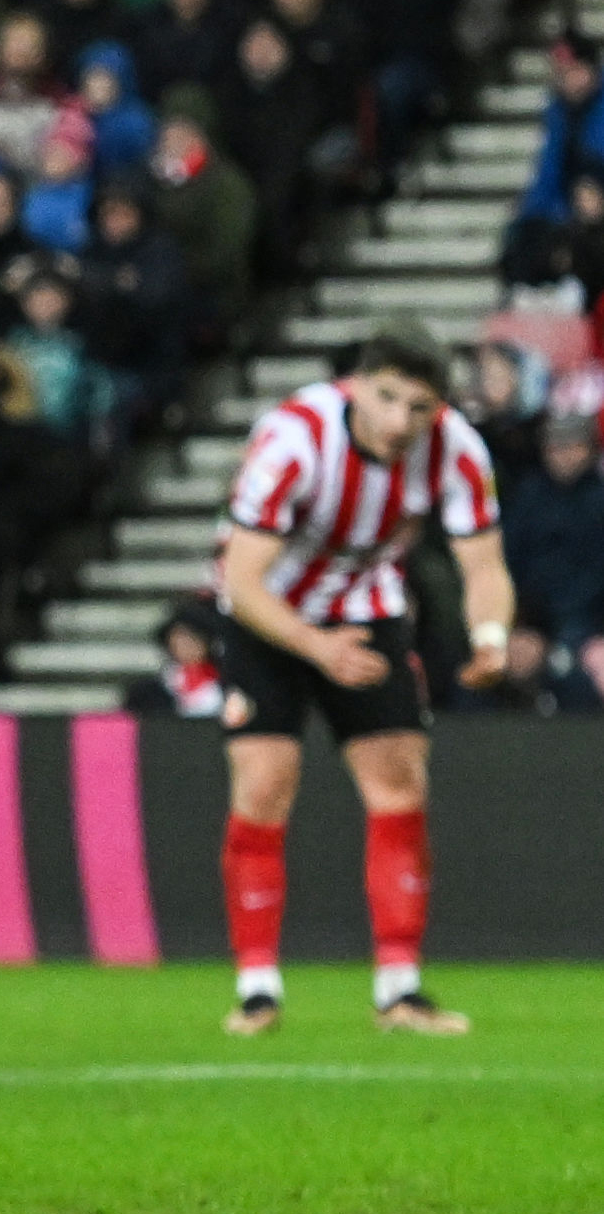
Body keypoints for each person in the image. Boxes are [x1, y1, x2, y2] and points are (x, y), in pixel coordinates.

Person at [204, 328, 511, 1037]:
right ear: (355, 385)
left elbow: (485, 564)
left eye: (420, 406)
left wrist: (490, 636)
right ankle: (257, 989)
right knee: (263, 784)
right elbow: (241, 579)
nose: (400, 421)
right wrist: (316, 647)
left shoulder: (458, 449)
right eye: (387, 398)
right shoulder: (293, 438)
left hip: (368, 613)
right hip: (270, 619)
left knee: (400, 785)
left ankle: (400, 989)